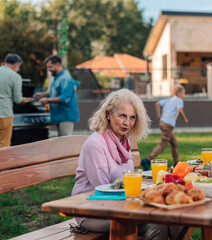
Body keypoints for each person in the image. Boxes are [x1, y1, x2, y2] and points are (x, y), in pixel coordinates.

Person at [71, 89, 183, 239]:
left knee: (172, 217)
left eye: (132, 118)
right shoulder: (96, 144)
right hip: (92, 211)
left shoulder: (123, 141)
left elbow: (126, 183)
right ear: (108, 114)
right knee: (159, 221)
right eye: (122, 115)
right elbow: (103, 189)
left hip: (121, 205)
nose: (127, 123)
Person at [141, 85, 189, 170]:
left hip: (162, 123)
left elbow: (157, 104)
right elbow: (180, 110)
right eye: (184, 93)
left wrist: (159, 115)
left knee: (174, 143)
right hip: (168, 125)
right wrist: (185, 119)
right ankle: (147, 160)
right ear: (179, 94)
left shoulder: (169, 100)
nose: (184, 95)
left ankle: (176, 163)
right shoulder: (179, 100)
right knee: (163, 144)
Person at [34, 55, 79, 136]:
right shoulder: (57, 78)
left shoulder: (65, 78)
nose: (48, 70)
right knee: (60, 143)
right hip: (59, 115)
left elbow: (65, 98)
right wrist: (42, 95)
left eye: (50, 67)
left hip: (66, 116)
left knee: (65, 143)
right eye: (47, 67)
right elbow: (55, 92)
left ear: (58, 65)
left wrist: (47, 100)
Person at [0, 53, 32, 148]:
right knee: (3, 144)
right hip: (4, 114)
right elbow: (18, 100)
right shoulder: (15, 76)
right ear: (16, 65)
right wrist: (27, 99)